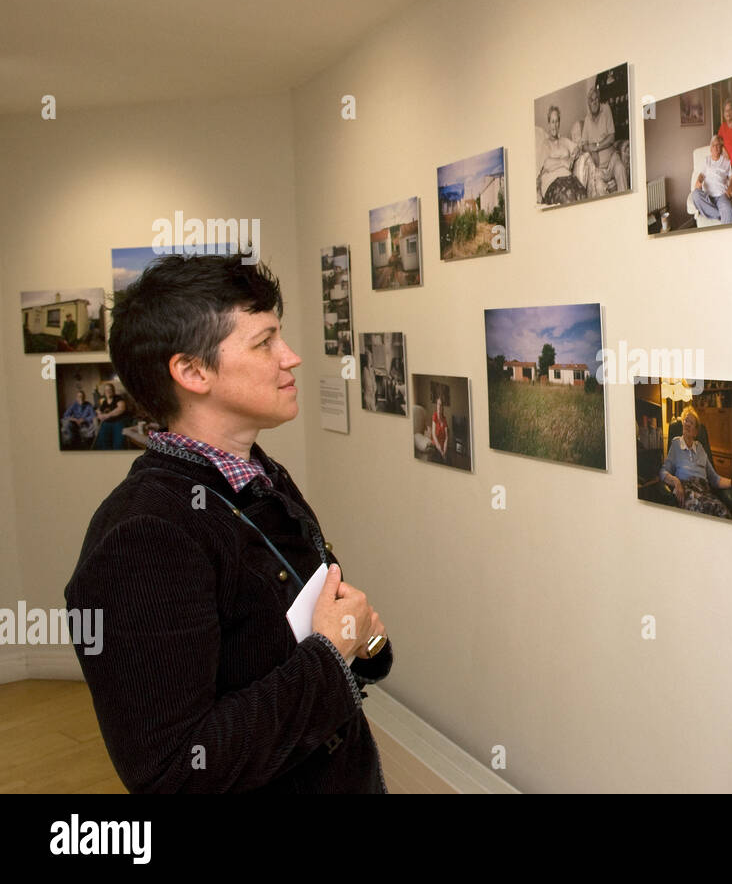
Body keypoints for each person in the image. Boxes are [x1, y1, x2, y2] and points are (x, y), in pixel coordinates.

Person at [65, 254, 393, 793]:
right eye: (264, 342)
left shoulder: (258, 474)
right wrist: (331, 655)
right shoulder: (143, 536)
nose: (291, 357)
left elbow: (293, 642)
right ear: (192, 371)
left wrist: (364, 643)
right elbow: (173, 774)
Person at [659, 405, 732, 518]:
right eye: (686, 420)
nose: (687, 424)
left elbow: (714, 479)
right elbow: (663, 471)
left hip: (704, 491)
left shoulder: (700, 448)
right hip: (687, 490)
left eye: (691, 422)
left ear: (695, 432)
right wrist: (676, 481)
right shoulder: (676, 444)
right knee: (704, 509)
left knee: (722, 511)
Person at [578, 81, 628, 196]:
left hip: (612, 160)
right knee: (599, 187)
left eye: (596, 99)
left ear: (599, 100)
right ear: (588, 103)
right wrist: (591, 150)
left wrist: (596, 146)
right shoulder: (587, 120)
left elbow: (611, 138)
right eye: (591, 100)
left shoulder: (606, 110)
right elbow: (583, 145)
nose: (594, 102)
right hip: (599, 168)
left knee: (621, 169)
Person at [537, 105, 588, 205]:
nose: (554, 125)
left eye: (557, 121)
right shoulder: (545, 144)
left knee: (583, 194)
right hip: (552, 182)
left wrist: (572, 157)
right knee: (568, 199)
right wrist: (563, 162)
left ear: (559, 123)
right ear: (548, 124)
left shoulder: (564, 140)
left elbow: (577, 148)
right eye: (552, 122)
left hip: (568, 178)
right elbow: (546, 164)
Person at [691, 135, 732, 224]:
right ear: (710, 149)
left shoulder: (726, 162)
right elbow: (702, 174)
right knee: (695, 194)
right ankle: (722, 214)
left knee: (727, 208)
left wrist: (730, 187)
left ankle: (724, 215)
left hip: (721, 195)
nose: (715, 148)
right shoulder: (706, 160)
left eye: (718, 145)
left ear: (721, 148)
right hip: (707, 196)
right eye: (713, 145)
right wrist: (699, 180)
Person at [92, 382, 129, 449]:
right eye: (106, 390)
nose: (108, 391)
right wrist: (99, 414)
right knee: (102, 441)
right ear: (104, 392)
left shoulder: (118, 398)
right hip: (106, 423)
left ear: (113, 391)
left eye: (110, 389)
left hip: (118, 422)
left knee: (118, 444)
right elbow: (100, 411)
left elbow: (121, 408)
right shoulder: (104, 402)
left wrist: (107, 415)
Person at [424, 390, 449, 461]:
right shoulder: (434, 416)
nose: (439, 407)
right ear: (436, 405)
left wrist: (444, 450)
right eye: (438, 404)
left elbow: (447, 437)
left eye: (441, 405)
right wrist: (441, 451)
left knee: (447, 461)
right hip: (436, 446)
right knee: (439, 459)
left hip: (443, 448)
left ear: (443, 407)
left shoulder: (444, 419)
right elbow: (434, 435)